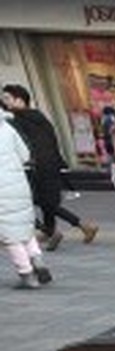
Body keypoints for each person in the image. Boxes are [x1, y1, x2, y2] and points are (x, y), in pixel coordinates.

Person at [1, 84, 99, 249]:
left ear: (19, 100)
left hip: (38, 166)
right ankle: (51, 232)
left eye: (7, 98)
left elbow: (25, 146)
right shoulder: (37, 116)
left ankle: (81, 226)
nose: (4, 102)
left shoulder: (18, 120)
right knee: (46, 200)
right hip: (51, 164)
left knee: (41, 201)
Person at [0, 107, 51, 288]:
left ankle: (26, 274)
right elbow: (25, 155)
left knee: (10, 235)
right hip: (19, 184)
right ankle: (38, 261)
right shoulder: (7, 127)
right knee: (24, 227)